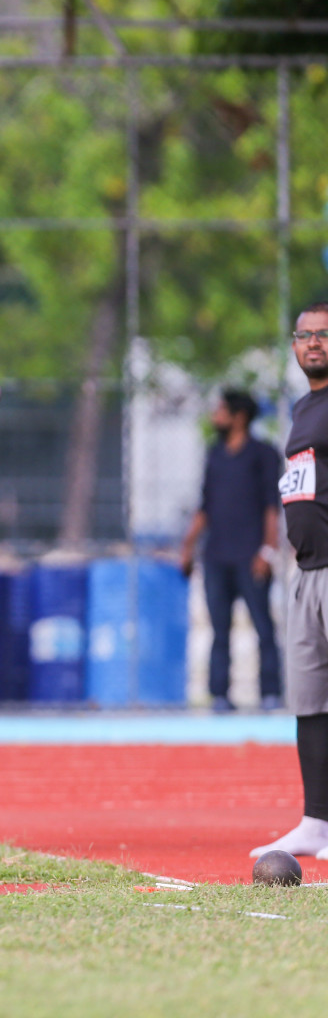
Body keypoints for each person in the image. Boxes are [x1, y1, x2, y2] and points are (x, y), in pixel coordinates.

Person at [253, 304, 328, 859]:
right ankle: (317, 822)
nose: (314, 344)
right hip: (306, 572)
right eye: (305, 335)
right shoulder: (304, 407)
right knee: (310, 703)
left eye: (325, 335)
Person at [179, 389, 284, 712]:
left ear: (239, 416)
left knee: (262, 626)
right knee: (218, 629)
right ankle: (220, 695)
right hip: (216, 557)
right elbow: (205, 505)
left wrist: (267, 551)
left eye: (221, 410)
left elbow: (272, 506)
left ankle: (270, 693)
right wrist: (188, 545)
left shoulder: (264, 454)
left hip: (250, 556)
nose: (216, 415)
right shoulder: (214, 454)